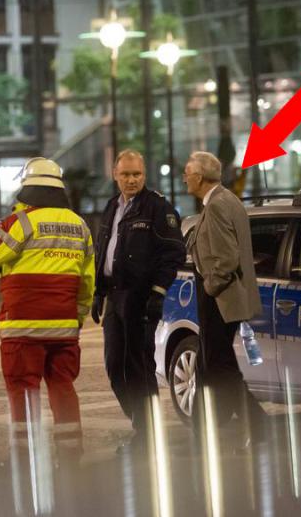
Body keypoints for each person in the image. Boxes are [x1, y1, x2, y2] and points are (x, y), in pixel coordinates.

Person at [0, 157, 95, 459]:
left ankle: (24, 457)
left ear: (26, 188)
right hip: (64, 325)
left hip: (23, 326)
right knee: (63, 387)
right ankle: (71, 454)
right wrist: (78, 316)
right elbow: (87, 280)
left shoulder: (22, 222)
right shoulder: (79, 225)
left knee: (22, 390)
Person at [91, 149, 185, 449]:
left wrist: (157, 293)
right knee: (114, 365)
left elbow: (173, 255)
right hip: (115, 295)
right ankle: (140, 422)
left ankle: (148, 433)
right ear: (114, 175)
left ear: (144, 175)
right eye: (125, 174)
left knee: (139, 366)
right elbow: (103, 250)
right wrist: (98, 292)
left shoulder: (158, 207)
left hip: (140, 297)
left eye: (137, 174)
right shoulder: (111, 207)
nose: (131, 180)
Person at [183, 151, 267, 444]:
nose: (185, 178)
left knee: (219, 364)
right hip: (224, 296)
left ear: (200, 177)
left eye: (187, 173)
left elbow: (227, 257)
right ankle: (205, 423)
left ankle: (256, 421)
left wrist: (210, 285)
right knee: (212, 362)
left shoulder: (218, 204)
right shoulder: (226, 200)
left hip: (220, 297)